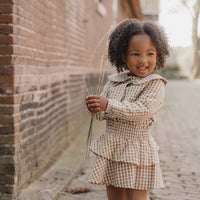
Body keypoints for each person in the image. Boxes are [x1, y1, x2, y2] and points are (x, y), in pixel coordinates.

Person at [85, 18, 170, 200]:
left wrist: (107, 104)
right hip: (113, 147)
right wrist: (96, 107)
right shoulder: (114, 81)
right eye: (135, 54)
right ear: (123, 56)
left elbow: (140, 111)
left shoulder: (155, 84)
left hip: (137, 150)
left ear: (158, 55)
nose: (143, 60)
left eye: (150, 54)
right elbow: (103, 115)